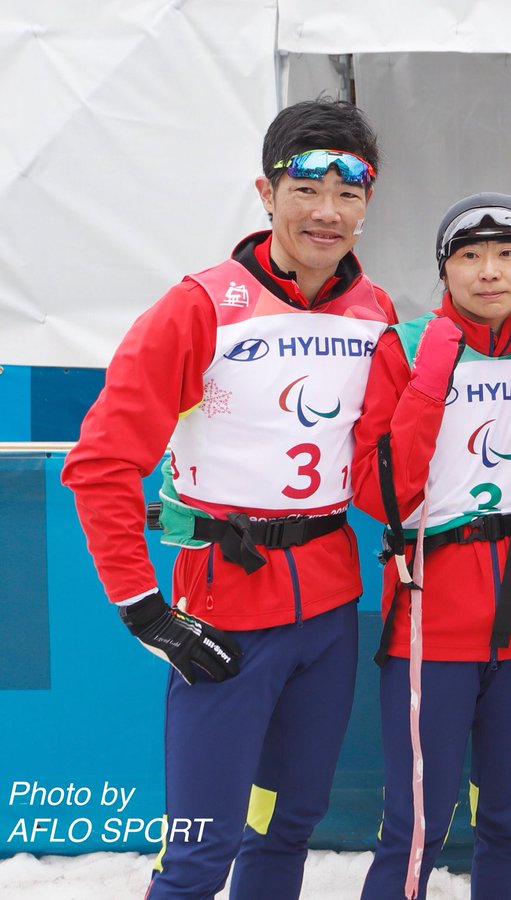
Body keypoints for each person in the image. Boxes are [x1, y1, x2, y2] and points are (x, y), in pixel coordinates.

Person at [61, 98, 394, 899]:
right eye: (306, 187)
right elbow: (102, 462)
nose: (327, 212)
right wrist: (146, 612)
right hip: (227, 609)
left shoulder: (375, 311)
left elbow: (393, 463)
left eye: (349, 193)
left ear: (368, 203)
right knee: (201, 854)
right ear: (266, 191)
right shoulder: (201, 305)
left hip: (329, 608)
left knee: (289, 824)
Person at [351, 193, 511, 900]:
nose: (488, 272)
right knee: (417, 824)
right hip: (431, 611)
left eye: (508, 254)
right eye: (468, 255)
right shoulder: (408, 342)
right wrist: (433, 375)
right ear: (445, 269)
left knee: (508, 818)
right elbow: (383, 494)